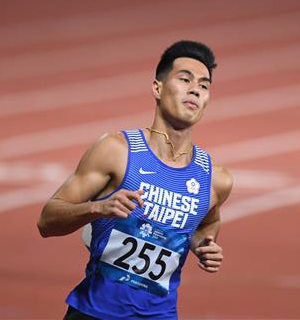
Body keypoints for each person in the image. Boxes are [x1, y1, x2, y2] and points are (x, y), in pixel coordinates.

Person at [38, 40, 234, 319]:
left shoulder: (216, 178)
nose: (195, 89)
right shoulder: (115, 151)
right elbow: (47, 221)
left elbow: (208, 221)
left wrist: (204, 244)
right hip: (94, 313)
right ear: (157, 87)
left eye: (204, 86)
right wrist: (97, 208)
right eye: (185, 79)